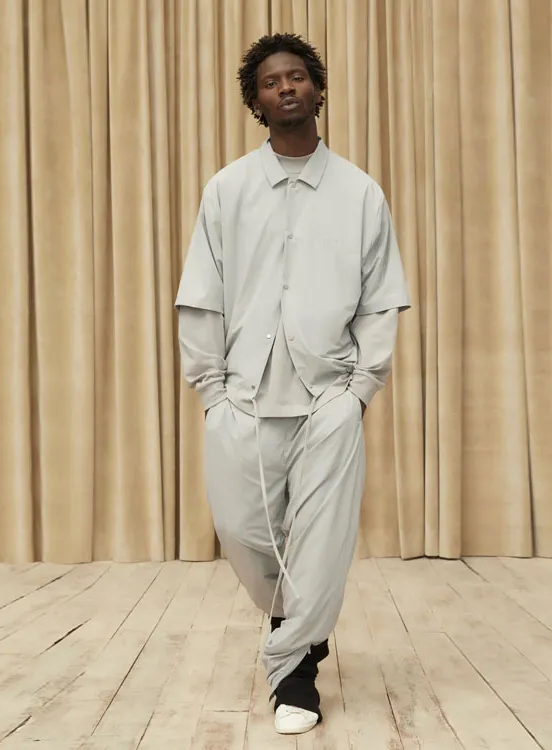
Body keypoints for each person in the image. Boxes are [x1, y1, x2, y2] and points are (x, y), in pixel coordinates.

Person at [175, 33, 410, 735]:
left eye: (298, 76)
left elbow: (380, 299)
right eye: (271, 81)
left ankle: (295, 674)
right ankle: (299, 628)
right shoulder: (227, 190)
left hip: (330, 397)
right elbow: (202, 294)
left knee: (322, 539)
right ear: (256, 101)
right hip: (241, 398)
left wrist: (360, 389)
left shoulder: (360, 193)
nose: (286, 87)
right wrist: (212, 391)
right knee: (244, 532)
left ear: (318, 89)